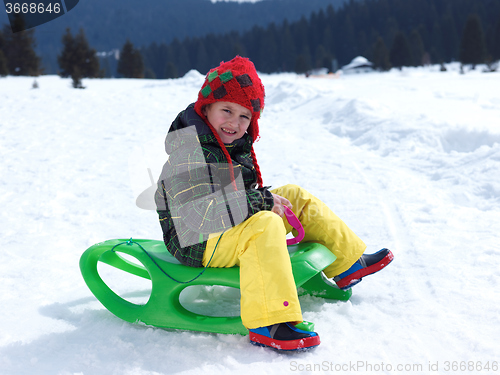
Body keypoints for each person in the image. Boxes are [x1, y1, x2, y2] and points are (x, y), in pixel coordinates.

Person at [155, 56, 393, 351]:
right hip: (196, 240)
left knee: (291, 195)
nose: (234, 122)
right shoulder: (191, 152)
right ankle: (270, 321)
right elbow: (199, 215)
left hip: (225, 228)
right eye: (226, 110)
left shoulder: (227, 143)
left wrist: (264, 199)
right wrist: (261, 202)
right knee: (265, 222)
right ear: (206, 109)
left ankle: (348, 263)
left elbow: (238, 197)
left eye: (244, 116)